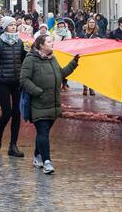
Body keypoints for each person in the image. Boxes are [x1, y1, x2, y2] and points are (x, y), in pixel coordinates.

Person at [20, 34, 79, 174]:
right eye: (49, 41)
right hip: (38, 103)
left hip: (52, 104)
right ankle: (47, 162)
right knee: (43, 132)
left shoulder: (52, 58)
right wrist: (37, 91)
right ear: (41, 45)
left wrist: (74, 62)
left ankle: (37, 156)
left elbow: (61, 73)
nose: (52, 44)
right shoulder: (30, 60)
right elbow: (24, 80)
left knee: (43, 133)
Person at [0, 16, 27, 157]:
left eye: (14, 25)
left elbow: (24, 60)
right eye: (10, 25)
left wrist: (27, 51)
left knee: (17, 113)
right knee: (7, 112)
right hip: (2, 81)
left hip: (17, 82)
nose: (13, 27)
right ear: (5, 27)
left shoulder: (20, 42)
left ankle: (13, 145)